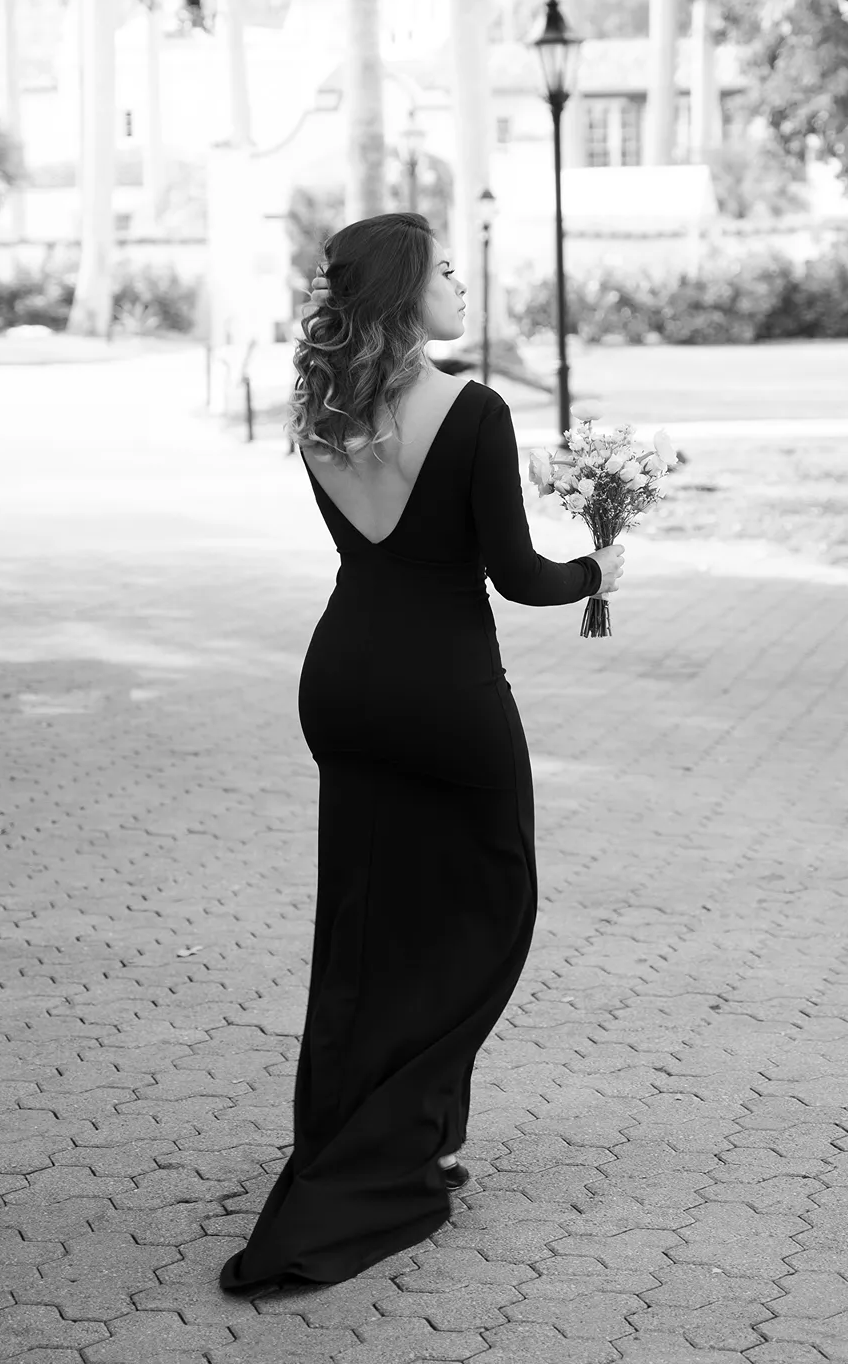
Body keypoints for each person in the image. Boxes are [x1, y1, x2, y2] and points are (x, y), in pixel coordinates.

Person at [219, 212, 624, 1298]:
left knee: (363, 921)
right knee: (489, 904)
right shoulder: (475, 407)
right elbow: (515, 575)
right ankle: (397, 1140)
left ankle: (395, 1134)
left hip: (343, 681)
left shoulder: (319, 410)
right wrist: (600, 568)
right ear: (406, 292)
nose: (459, 279)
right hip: (444, 692)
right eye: (444, 267)